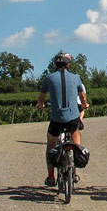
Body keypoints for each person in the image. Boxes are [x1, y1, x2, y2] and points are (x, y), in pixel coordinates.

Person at [36, 51, 89, 187]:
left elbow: (41, 97)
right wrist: (84, 104)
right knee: (75, 132)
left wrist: (40, 105)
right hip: (72, 117)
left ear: (55, 65)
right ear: (68, 65)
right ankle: (75, 162)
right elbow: (82, 95)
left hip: (57, 118)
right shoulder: (76, 77)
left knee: (51, 143)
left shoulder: (49, 78)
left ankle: (50, 176)